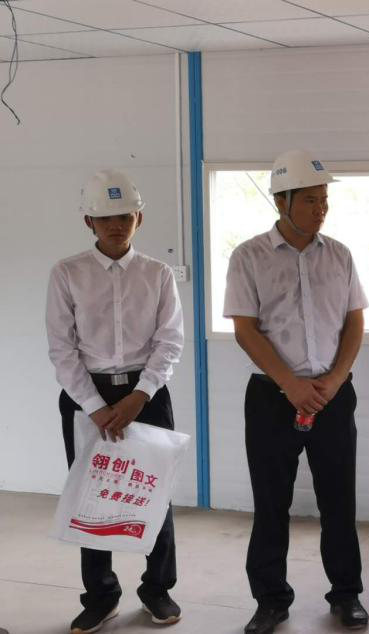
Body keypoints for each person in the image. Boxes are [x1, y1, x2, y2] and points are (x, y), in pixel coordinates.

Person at [223, 150, 369, 633]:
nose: (320, 209)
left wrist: (336, 378)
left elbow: (354, 322)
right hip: (271, 398)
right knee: (271, 504)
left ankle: (346, 594)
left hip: (332, 395)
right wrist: (290, 385)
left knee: (339, 502)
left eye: (324, 200)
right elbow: (245, 330)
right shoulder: (249, 256)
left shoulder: (340, 255)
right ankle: (270, 600)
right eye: (309, 200)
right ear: (281, 201)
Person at [46, 168, 185, 632]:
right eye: (105, 217)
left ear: (138, 218)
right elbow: (62, 349)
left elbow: (170, 342)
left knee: (154, 491)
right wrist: (96, 406)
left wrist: (140, 394)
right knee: (92, 495)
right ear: (89, 221)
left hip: (147, 394)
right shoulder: (68, 273)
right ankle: (101, 595)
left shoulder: (157, 274)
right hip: (87, 396)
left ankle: (157, 589)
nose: (116, 225)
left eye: (124, 215)